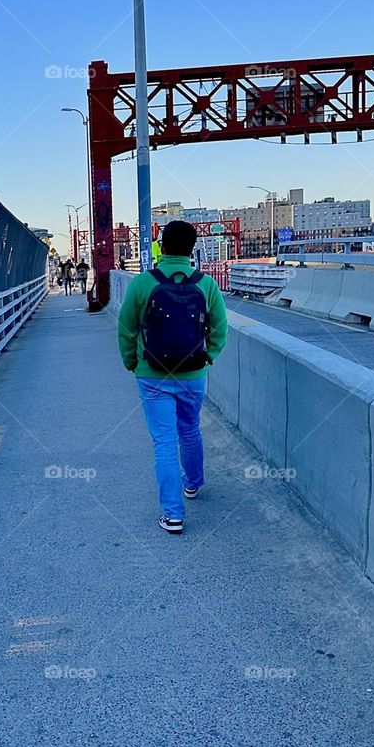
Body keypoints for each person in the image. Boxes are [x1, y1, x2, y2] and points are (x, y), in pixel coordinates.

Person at [117, 220, 228, 534]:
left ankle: (173, 514)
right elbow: (220, 328)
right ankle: (193, 484)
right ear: (191, 249)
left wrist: (131, 362)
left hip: (152, 374)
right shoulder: (206, 284)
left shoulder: (142, 284)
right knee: (190, 429)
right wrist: (209, 356)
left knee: (164, 442)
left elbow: (126, 328)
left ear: (161, 247)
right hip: (194, 373)